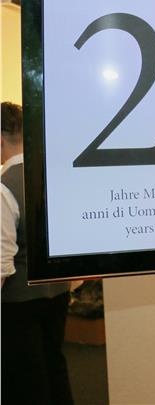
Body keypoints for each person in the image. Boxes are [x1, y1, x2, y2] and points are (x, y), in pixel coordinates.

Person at [1, 101, 74, 405]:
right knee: (54, 366)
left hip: (18, 302)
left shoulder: (4, 188)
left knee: (25, 380)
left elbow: (2, 263)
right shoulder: (54, 176)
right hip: (58, 292)